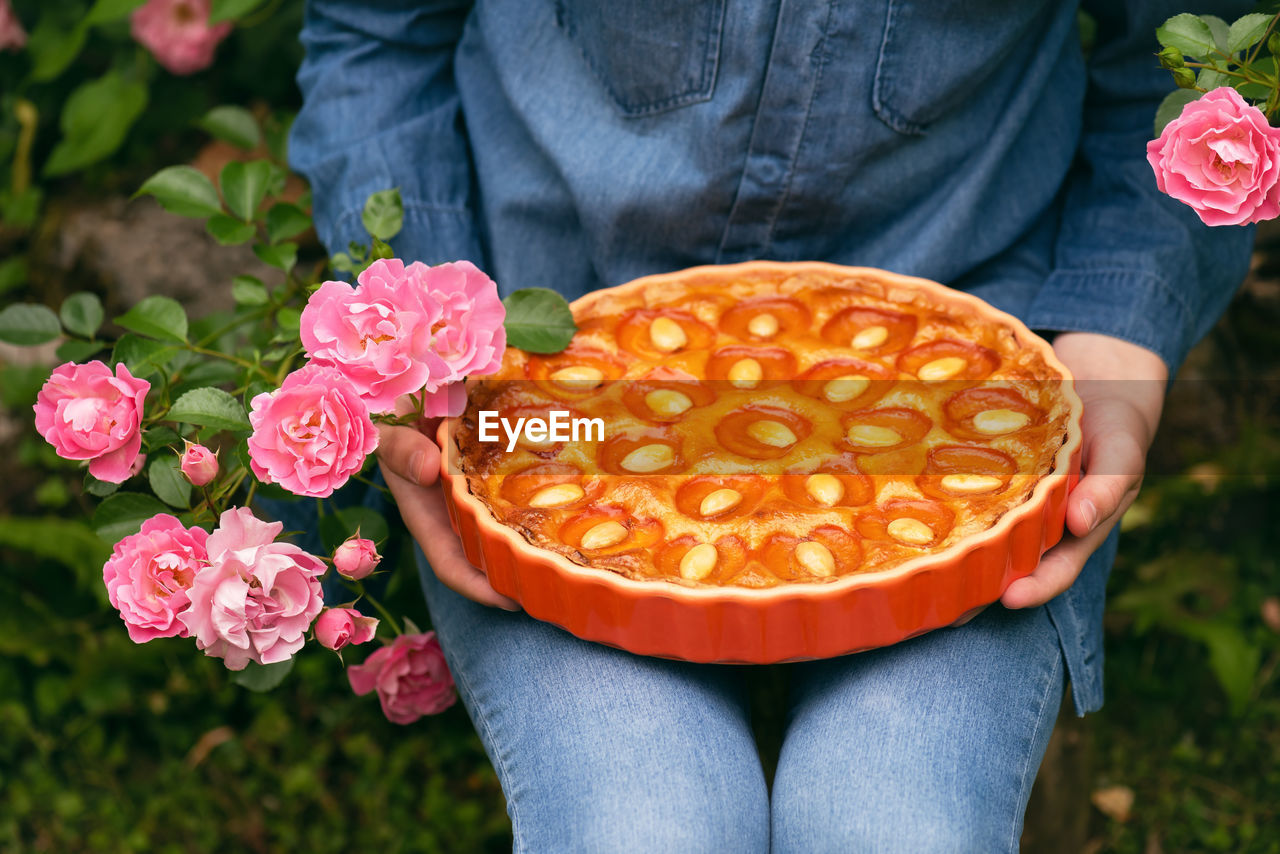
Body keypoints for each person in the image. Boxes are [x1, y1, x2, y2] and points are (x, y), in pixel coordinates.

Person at [289, 1, 1254, 850]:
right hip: (550, 391)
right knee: (644, 832)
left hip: (964, 397)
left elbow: (1173, 81)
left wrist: (1118, 346)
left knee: (892, 831)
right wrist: (424, 350)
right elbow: (378, 36)